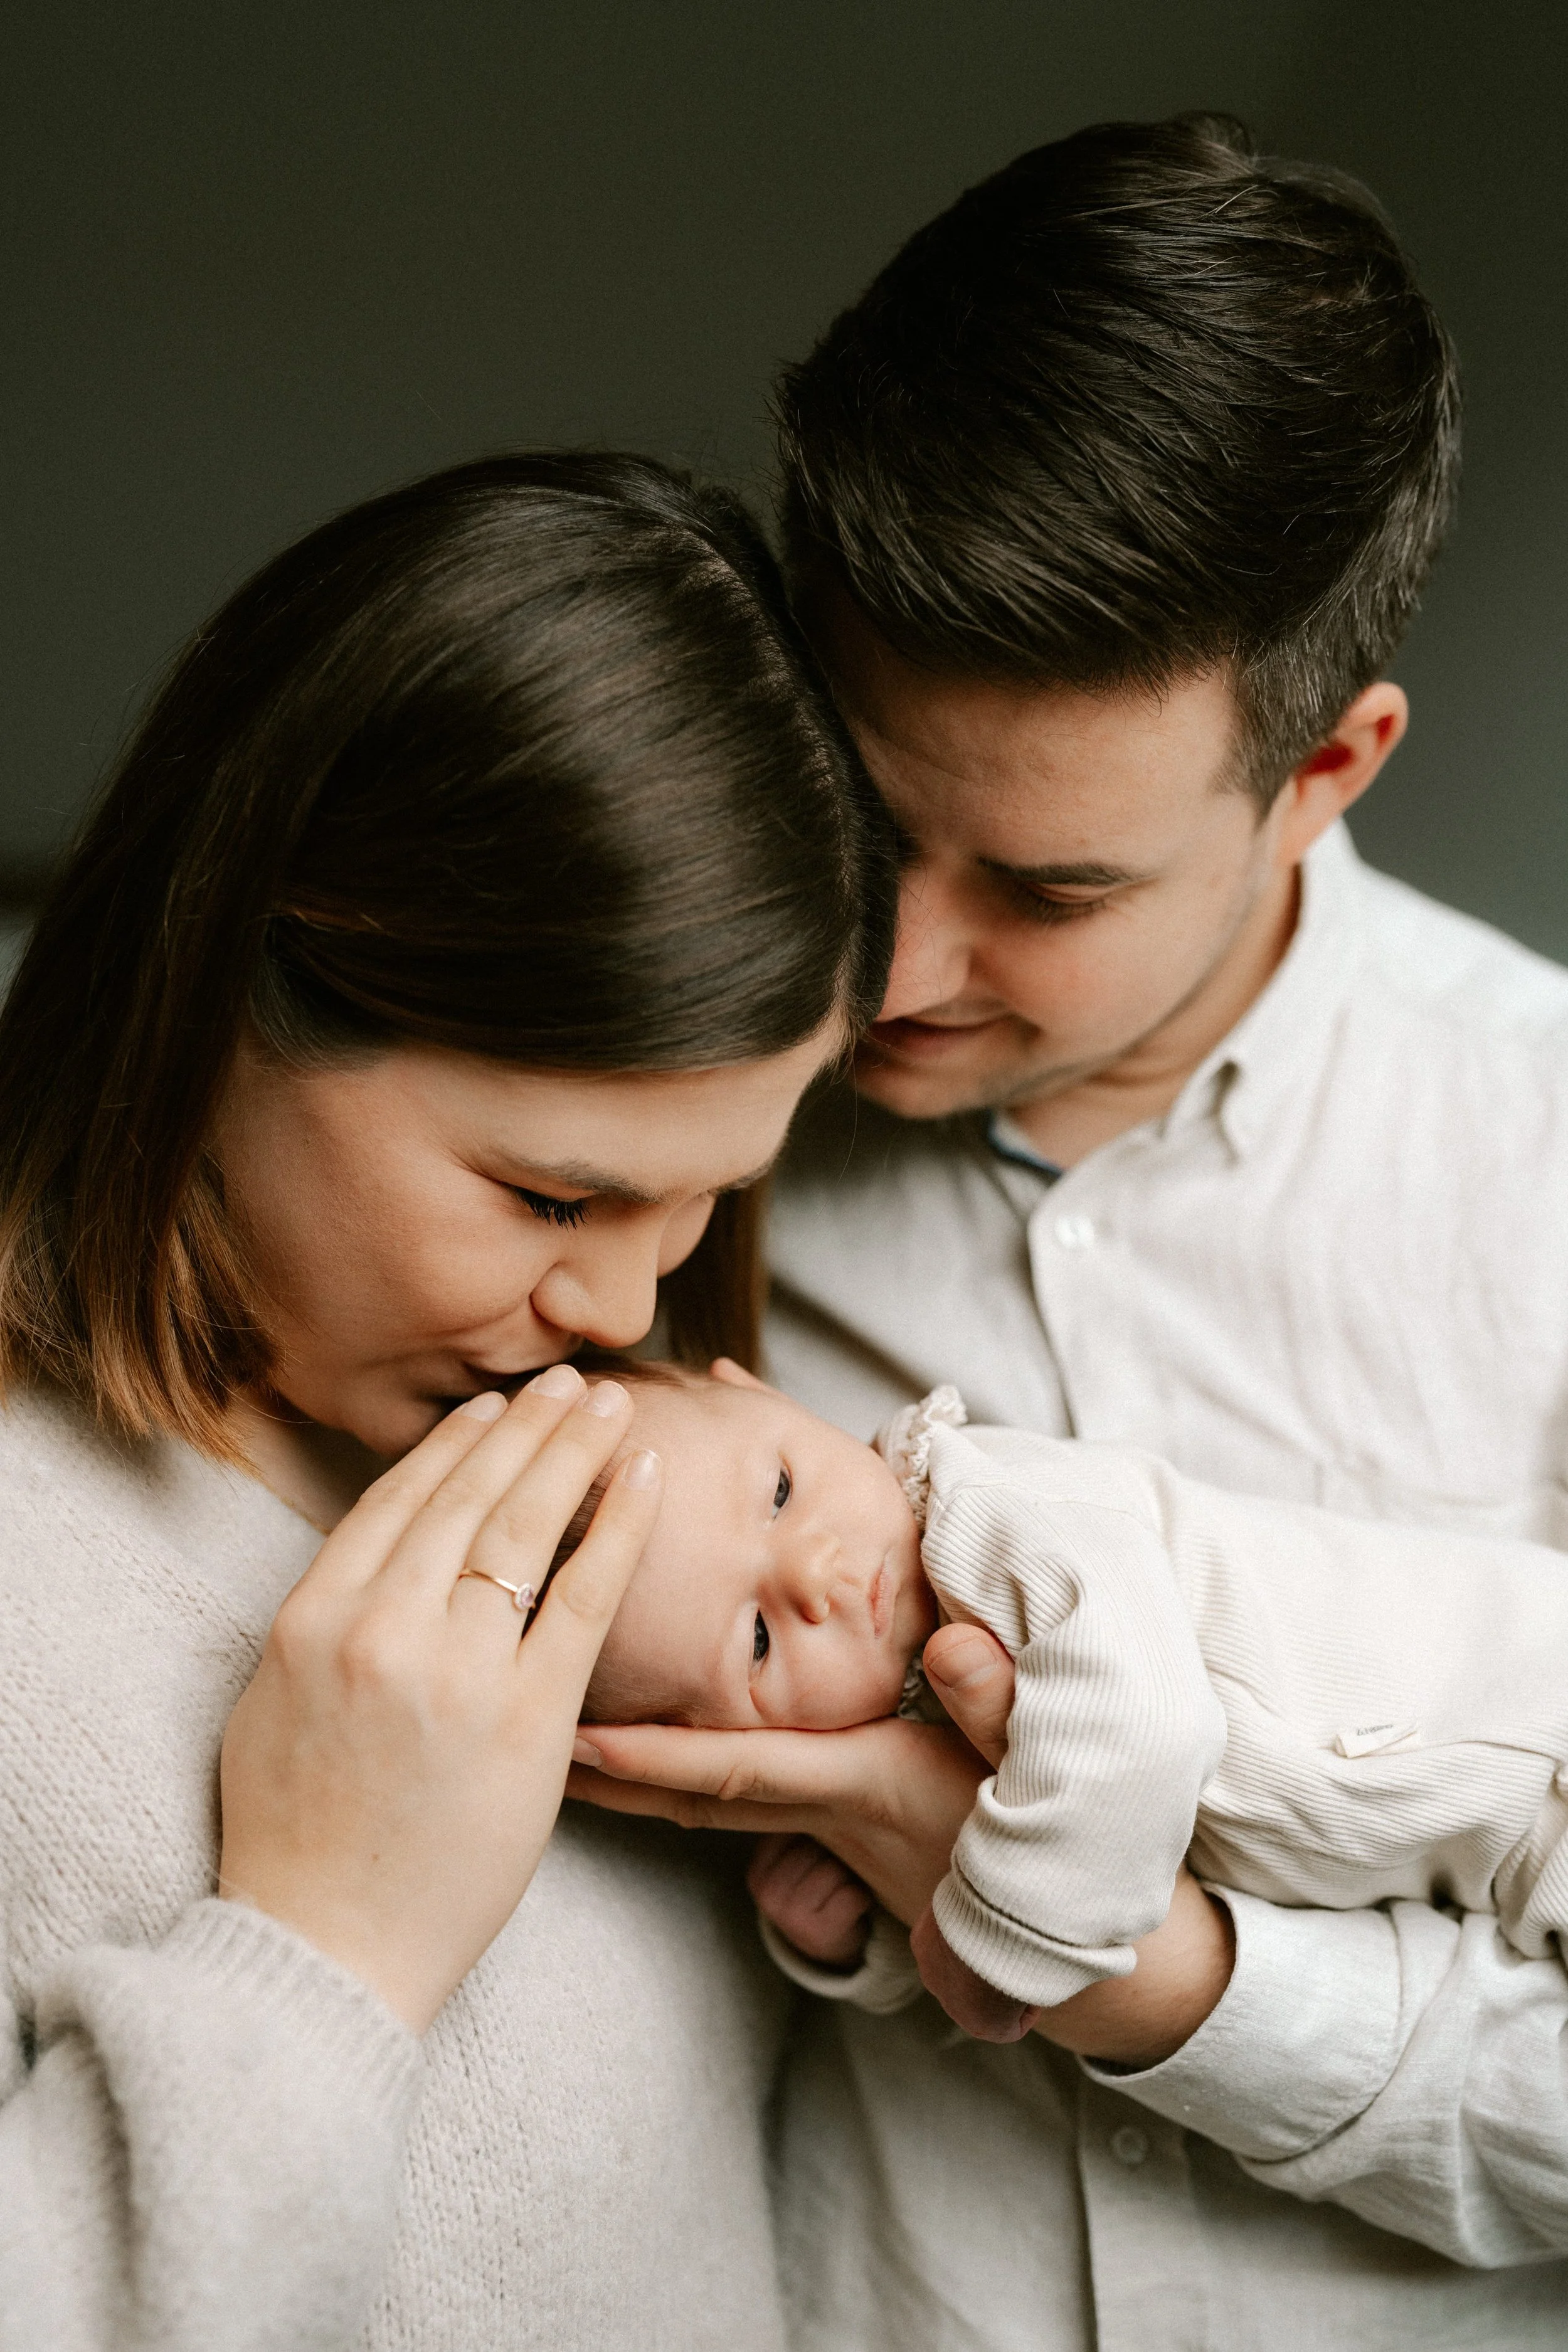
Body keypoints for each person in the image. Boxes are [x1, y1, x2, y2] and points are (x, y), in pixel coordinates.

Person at [570, 116, 1568, 2346]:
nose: (894, 970)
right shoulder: (656, 1140)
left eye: (1049, 887)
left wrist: (1161, 1984)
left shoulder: (1544, 1165)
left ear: (1332, 768)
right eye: (865, 810)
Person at [0, 450, 896, 2352]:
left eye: (704, 1198)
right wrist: (320, 1946)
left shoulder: (646, 1497)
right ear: (227, 978)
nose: (625, 1299)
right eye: (554, 1193)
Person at [561, 1360, 1568, 2043]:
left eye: (779, 1490)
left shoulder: (979, 1506)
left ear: (761, 1389)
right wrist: (852, 1935)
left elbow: (1141, 1732)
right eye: (760, 1640)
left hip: (1529, 1744)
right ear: (708, 1737)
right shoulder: (887, 1717)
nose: (816, 1573)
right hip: (1469, 1862)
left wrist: (987, 1952)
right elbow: (981, 1891)